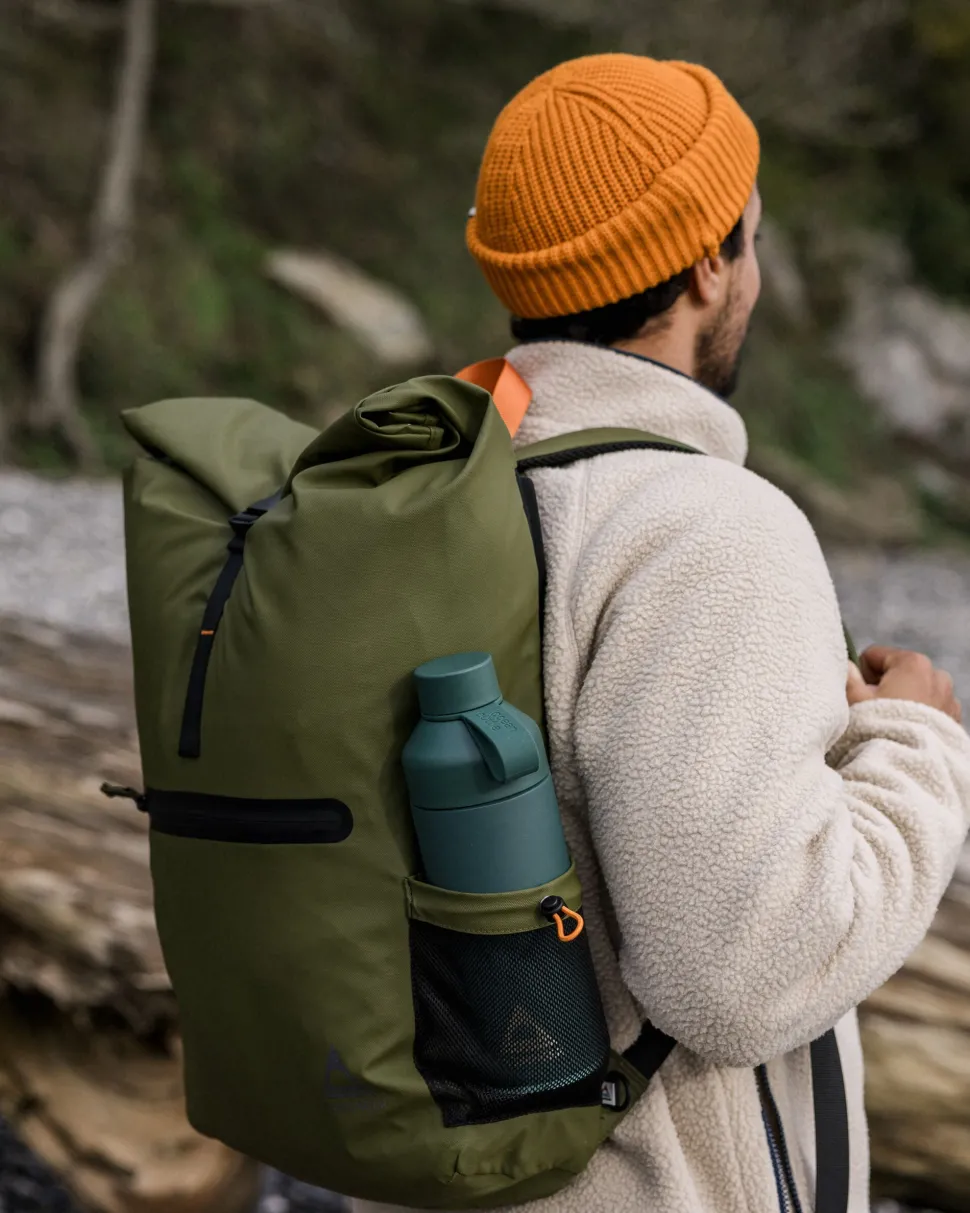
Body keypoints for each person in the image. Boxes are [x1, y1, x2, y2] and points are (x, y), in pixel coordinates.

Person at [356, 53, 970, 1213]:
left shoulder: (424, 498)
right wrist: (915, 745)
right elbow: (741, 977)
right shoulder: (700, 531)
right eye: (751, 235)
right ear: (705, 266)